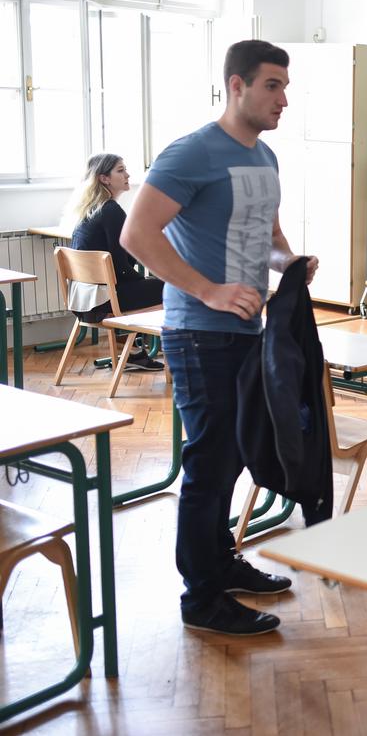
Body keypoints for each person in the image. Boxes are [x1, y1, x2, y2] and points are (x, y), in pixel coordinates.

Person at [121, 40, 318, 635]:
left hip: (248, 330)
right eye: (272, 85)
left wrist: (288, 262)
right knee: (211, 462)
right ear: (237, 86)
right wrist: (206, 289)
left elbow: (271, 236)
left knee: (234, 454)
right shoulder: (191, 153)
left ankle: (220, 563)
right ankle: (200, 596)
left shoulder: (265, 159)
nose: (284, 97)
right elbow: (136, 234)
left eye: (285, 86)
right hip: (199, 332)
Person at [65, 153, 164, 371]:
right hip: (103, 302)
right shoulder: (110, 210)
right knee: (171, 290)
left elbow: (120, 259)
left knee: (147, 284)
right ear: (104, 178)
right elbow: (121, 270)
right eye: (120, 170)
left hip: (82, 300)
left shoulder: (89, 209)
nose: (127, 174)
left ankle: (135, 352)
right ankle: (181, 355)